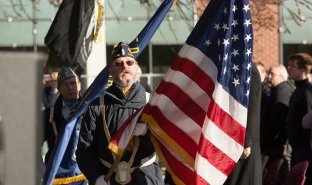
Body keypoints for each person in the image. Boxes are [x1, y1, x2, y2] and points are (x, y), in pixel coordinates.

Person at [76, 42, 164, 185]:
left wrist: (147, 135)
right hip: (109, 178)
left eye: (129, 62)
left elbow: (165, 146)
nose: (125, 66)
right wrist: (96, 177)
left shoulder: (152, 103)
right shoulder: (96, 106)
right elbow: (85, 151)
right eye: (119, 63)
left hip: (146, 178)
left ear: (136, 68)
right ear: (110, 70)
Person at [43, 67, 87, 184]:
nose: (70, 87)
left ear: (79, 84)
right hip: (57, 176)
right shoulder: (49, 114)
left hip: (85, 174)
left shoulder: (91, 109)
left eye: (73, 83)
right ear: (59, 89)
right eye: (65, 85)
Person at [224, 63, 262, 185]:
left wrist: (246, 142)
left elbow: (253, 107)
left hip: (243, 143)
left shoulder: (248, 68)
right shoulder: (228, 64)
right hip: (229, 139)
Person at [260, 64, 294, 185]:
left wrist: (264, 143)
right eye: (268, 73)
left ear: (282, 76)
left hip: (276, 148)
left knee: (274, 178)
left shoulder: (282, 93)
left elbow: (276, 124)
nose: (268, 77)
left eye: (272, 74)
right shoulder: (276, 91)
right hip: (273, 147)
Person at [286, 52, 312, 184]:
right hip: (296, 147)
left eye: (292, 66)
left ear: (302, 70)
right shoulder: (297, 89)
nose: (289, 68)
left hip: (304, 148)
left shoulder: (307, 91)